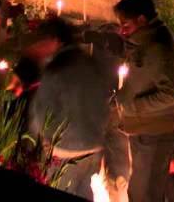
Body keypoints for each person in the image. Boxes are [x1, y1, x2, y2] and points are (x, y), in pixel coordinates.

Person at [26, 16, 112, 200]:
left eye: (42, 42)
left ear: (55, 40)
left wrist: (36, 142)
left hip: (65, 150)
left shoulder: (56, 70)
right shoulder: (90, 63)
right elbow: (105, 101)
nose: (39, 48)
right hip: (93, 147)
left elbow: (42, 113)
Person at [114, 0, 174, 202]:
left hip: (154, 133)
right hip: (144, 129)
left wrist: (134, 106)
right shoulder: (145, 39)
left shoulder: (159, 47)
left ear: (142, 20)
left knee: (145, 194)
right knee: (140, 190)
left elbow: (170, 94)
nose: (122, 31)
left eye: (125, 25)